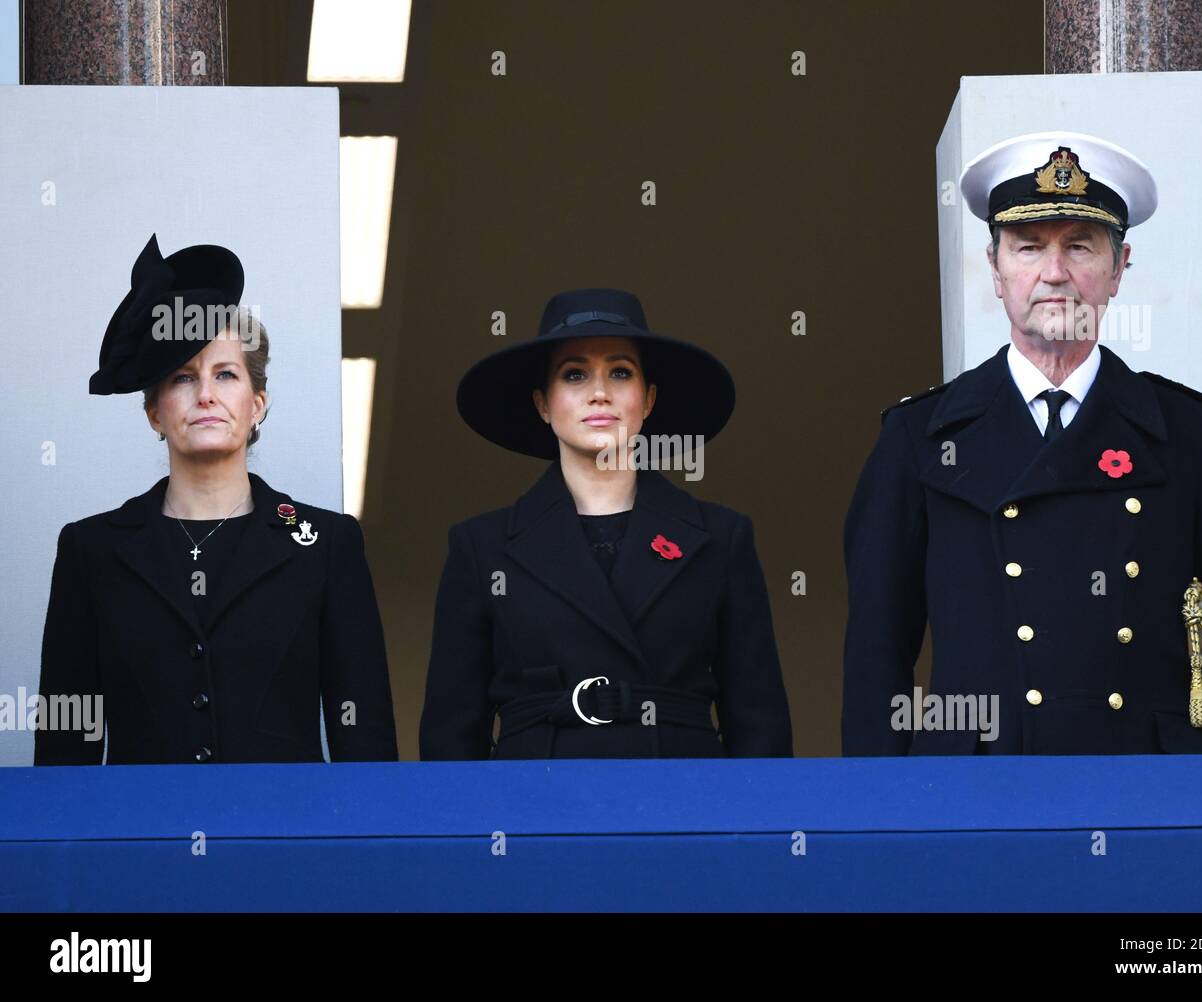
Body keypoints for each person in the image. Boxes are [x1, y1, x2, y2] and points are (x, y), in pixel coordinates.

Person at [842, 132, 1202, 756]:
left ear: (1119, 268)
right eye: (1028, 247)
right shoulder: (919, 438)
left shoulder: (1191, 436)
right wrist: (881, 823)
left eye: (1080, 246)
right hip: (981, 793)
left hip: (1146, 793)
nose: (1054, 273)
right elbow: (877, 659)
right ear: (994, 270)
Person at [35, 234, 397, 765]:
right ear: (154, 412)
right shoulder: (90, 551)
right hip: (139, 841)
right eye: (183, 378)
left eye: (225, 374)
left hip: (283, 839)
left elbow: (364, 740)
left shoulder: (326, 544)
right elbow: (64, 750)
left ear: (258, 403)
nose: (205, 393)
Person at [420, 288, 793, 759]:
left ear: (649, 398)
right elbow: (450, 735)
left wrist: (746, 829)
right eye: (574, 374)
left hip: (685, 806)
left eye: (620, 372)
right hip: (532, 809)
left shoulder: (721, 538)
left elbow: (760, 724)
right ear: (542, 404)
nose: (599, 392)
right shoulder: (481, 547)